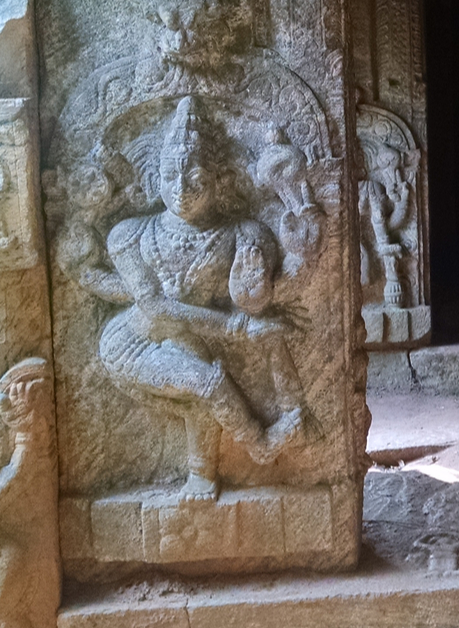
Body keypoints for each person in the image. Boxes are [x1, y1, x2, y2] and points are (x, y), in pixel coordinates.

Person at [82, 95, 308, 500]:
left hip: (186, 339)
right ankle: (260, 444)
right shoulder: (130, 234)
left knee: (202, 395)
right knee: (205, 382)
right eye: (170, 176)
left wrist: (289, 242)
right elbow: (151, 304)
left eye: (196, 179)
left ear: (218, 181)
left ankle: (201, 477)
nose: (181, 190)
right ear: (156, 176)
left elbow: (256, 292)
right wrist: (238, 328)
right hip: (133, 342)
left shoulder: (239, 234)